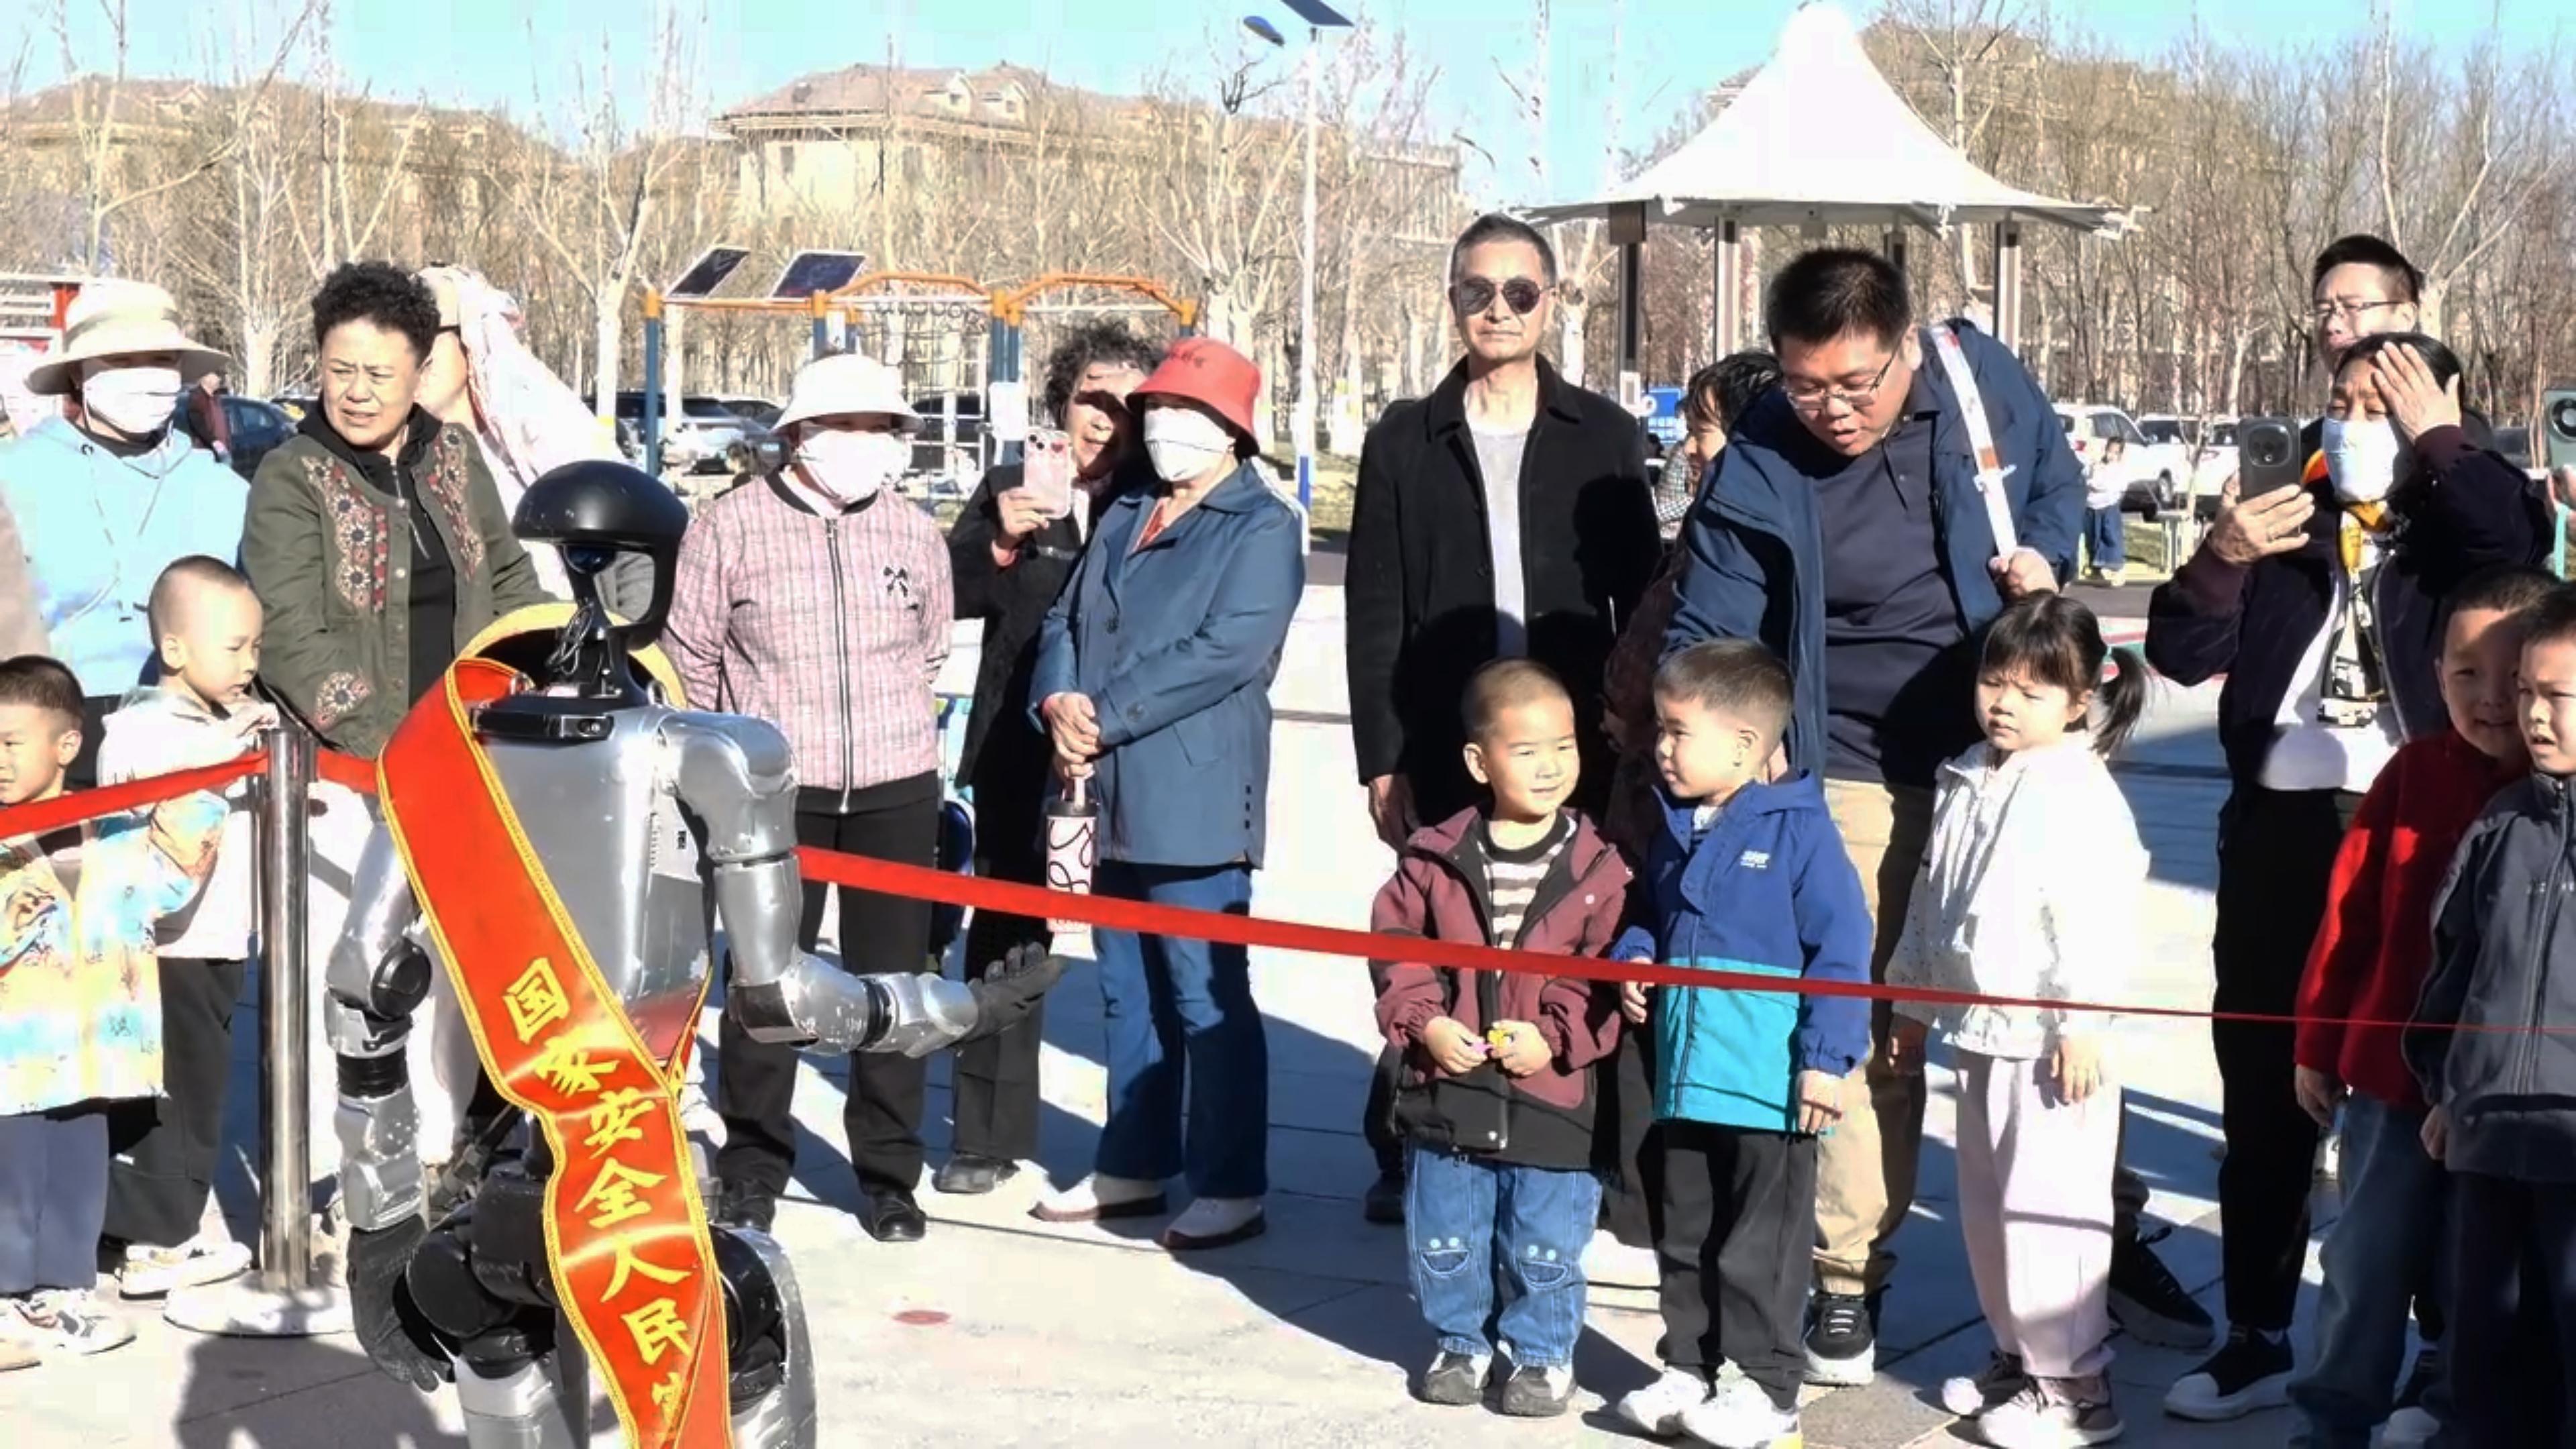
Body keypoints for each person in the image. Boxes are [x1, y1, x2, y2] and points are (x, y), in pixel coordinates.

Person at [1661, 248, 2199, 1382]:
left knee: (2044, 1016)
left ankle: (2094, 1238)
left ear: (1905, 343)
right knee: (1870, 1023)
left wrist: (2046, 554)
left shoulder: (1975, 379)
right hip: (1852, 761)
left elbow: (2054, 481)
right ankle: (1849, 1271)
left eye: (1856, 382)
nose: (1833, 410)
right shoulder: (1759, 454)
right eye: (1806, 385)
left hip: (2006, 754)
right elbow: (1711, 622)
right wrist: (1740, 734)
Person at [2147, 327, 2547, 1419]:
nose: (2359, 422)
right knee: (2269, 1075)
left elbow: (2522, 544)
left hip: (2425, 819)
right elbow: (2179, 653)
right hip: (2282, 829)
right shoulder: (2288, 515)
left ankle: (2435, 1350)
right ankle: (2258, 1329)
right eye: (2346, 401)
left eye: (2388, 401)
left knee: (2421, 1085)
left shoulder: (2457, 519)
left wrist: (2441, 441)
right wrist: (2223, 556)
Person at [1346, 212, 1660, 1220]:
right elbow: (1375, 609)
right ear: (1453, 303)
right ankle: (1416, 1138)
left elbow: (1641, 595)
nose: (1499, 310)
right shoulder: (1403, 439)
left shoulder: (1604, 435)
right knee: (1442, 933)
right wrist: (1382, 757)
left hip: (1575, 745)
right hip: (1449, 741)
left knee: (1578, 935)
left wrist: (1638, 732)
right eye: (1478, 291)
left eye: (1520, 292)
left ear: (1551, 303)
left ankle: (1582, 1146)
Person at [664, 350, 953, 1244]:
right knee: (769, 982)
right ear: (799, 435)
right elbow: (691, 653)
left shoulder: (914, 532)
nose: (868, 442)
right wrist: (732, 758)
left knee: (895, 983)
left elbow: (932, 649)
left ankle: (889, 1173)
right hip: (776, 791)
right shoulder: (729, 527)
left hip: (896, 784)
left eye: (883, 428)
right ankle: (754, 1164)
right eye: (849, 426)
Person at [1027, 337, 1304, 1250]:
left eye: (1186, 412)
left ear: (1232, 428)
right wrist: (1058, 700)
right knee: (1126, 992)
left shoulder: (1261, 526)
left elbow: (1225, 650)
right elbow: (1066, 617)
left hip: (1194, 793)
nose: (1162, 427)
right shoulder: (1128, 508)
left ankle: (1230, 1180)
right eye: (1157, 411)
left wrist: (1104, 714)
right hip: (1103, 790)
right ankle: (1134, 1161)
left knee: (1204, 997)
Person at [2288, 565, 2557, 1449]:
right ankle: (2333, 1416)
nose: (2490, 698)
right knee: (2365, 1257)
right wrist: (2317, 1040)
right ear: (2435, 674)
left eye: (2512, 676)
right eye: (2465, 672)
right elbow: (2349, 917)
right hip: (2391, 1081)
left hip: (2501, 1093)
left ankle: (2447, 1400)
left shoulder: (2552, 799)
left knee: (2474, 1269)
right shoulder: (2411, 774)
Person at [1879, 594, 2151, 1448]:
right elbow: (1931, 897)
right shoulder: (1969, 773)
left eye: (2032, 691)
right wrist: (1913, 1000)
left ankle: (2075, 1383)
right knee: (1989, 1204)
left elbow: (2098, 915)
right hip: (1981, 1028)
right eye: (1995, 682)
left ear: (2079, 701)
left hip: (2050, 1040)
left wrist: (2082, 1019)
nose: (2005, 703)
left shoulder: (2078, 791)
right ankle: (2019, 1355)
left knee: (2049, 1207)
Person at [1607, 639, 1871, 1449]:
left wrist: (1825, 1062)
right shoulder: (1674, 826)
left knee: (1761, 1243)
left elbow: (1843, 950)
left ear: (1746, 745)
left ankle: (1767, 1387)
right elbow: (1648, 914)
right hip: (1687, 1075)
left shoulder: (1800, 833)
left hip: (1767, 1086)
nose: (1662, 747)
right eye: (1661, 728)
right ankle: (1689, 1368)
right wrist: (1636, 957)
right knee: (1684, 1231)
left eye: (1678, 731)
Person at [1369, 659, 1631, 1418]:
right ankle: (1461, 1341)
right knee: (1446, 1233)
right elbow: (1396, 948)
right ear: (1479, 762)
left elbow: (1603, 974)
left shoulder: (1600, 868)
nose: (1551, 766)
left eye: (1565, 746)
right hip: (1449, 1086)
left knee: (1543, 1239)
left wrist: (1554, 1037)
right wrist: (1426, 1023)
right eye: (1527, 751)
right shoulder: (1433, 858)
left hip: (1551, 1096)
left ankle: (1544, 1355)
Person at [938, 321, 1163, 1195]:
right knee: (1005, 935)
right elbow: (947, 591)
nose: (1104, 418)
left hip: (1128, 750)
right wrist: (998, 539)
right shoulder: (1012, 483)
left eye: (1125, 404)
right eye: (1089, 398)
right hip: (1018, 750)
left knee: (1137, 950)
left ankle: (1146, 1145)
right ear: (1060, 402)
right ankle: (984, 1138)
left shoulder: (1161, 496)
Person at [0, 655, 224, 1362]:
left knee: (76, 1178)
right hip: (13, 1058)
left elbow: (174, 872)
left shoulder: (117, 835)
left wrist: (197, 769)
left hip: (95, 1053)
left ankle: (64, 1294)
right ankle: (7, 1301)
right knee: (11, 1181)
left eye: (11, 742)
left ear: (67, 744)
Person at [243, 260, 551, 761]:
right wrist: (391, 745)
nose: (357, 392)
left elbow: (509, 580)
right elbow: (288, 634)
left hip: (474, 740)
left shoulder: (456, 454)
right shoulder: (291, 474)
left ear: (421, 374)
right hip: (353, 759)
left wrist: (552, 663)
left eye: (380, 375)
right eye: (340, 371)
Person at [2404, 585, 2576, 1448]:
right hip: (2487, 1139)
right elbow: (2457, 970)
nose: (2533, 716)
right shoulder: (2503, 821)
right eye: (2526, 692)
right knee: (2484, 1346)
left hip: (2568, 1138)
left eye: (2558, 696)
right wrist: (2448, 1086)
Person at [94, 559, 275, 1303]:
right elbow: (158, 806)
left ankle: (141, 1225)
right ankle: (158, 1242)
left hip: (215, 940)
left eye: (256, 647)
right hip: (170, 947)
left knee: (190, 1088)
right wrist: (230, 753)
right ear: (174, 649)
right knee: (177, 1098)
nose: (249, 663)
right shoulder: (142, 730)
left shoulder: (212, 726)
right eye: (233, 647)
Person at [0, 281, 247, 787]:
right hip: (46, 757)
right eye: (121, 360)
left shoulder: (225, 489)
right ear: (78, 372)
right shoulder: (15, 476)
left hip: (193, 751)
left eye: (160, 359)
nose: (144, 375)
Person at [414, 265, 640, 606]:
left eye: (425, 336)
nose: (413, 356)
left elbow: (633, 544)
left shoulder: (545, 428)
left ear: (472, 338)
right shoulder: (402, 456)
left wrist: (625, 633)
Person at [2084, 437, 2129, 586]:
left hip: (2109, 505)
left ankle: (2116, 568)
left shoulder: (2120, 469)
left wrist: (2096, 484)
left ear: (2120, 454)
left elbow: (2112, 486)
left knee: (2110, 536)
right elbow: (2089, 479)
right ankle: (2096, 568)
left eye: (2116, 453)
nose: (2111, 455)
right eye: (2110, 451)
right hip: (2092, 505)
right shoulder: (2097, 466)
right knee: (2093, 537)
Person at [182, 374, 231, 464]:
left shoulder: (215, 398)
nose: (218, 379)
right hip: (207, 452)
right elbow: (198, 425)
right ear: (205, 379)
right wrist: (214, 442)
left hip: (222, 450)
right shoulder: (198, 398)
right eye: (215, 376)